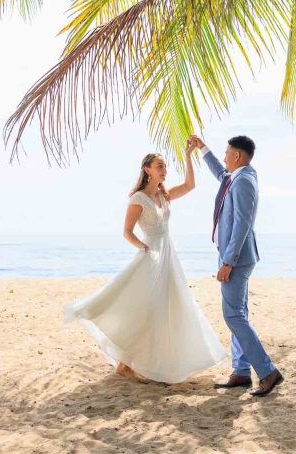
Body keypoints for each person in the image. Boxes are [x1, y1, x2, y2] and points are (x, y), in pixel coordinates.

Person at [63, 140, 227, 383]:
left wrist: (188, 155)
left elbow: (191, 185)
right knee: (148, 308)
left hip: (169, 256)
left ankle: (127, 364)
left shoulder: (163, 194)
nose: (164, 170)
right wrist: (144, 247)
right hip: (152, 257)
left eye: (165, 167)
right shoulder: (138, 198)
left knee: (166, 308)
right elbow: (127, 232)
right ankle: (126, 363)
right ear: (147, 169)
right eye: (160, 166)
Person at [188, 134, 284, 397]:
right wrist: (202, 148)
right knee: (238, 314)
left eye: (226, 152)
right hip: (235, 257)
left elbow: (243, 224)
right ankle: (241, 372)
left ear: (237, 156)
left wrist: (228, 261)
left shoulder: (244, 182)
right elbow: (220, 172)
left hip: (237, 259)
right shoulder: (236, 177)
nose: (224, 157)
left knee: (234, 316)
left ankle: (267, 372)